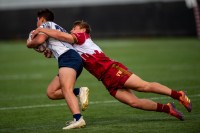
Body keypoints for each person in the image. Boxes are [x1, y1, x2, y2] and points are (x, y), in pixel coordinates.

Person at [32, 20, 192, 121]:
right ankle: (168, 108)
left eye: (75, 27)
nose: (72, 30)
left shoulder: (82, 37)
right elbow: (61, 47)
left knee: (144, 86)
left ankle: (178, 95)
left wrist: (42, 29)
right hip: (106, 79)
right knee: (134, 102)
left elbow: (61, 35)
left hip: (112, 70)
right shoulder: (73, 46)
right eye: (72, 28)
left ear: (83, 30)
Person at [26, 9, 89, 130]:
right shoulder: (54, 27)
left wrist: (29, 43)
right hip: (70, 58)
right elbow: (58, 45)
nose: (37, 23)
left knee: (66, 89)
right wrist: (50, 52)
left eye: (37, 20)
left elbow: (39, 41)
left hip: (69, 58)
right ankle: (79, 91)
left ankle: (78, 119)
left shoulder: (45, 25)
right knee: (51, 92)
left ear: (42, 19)